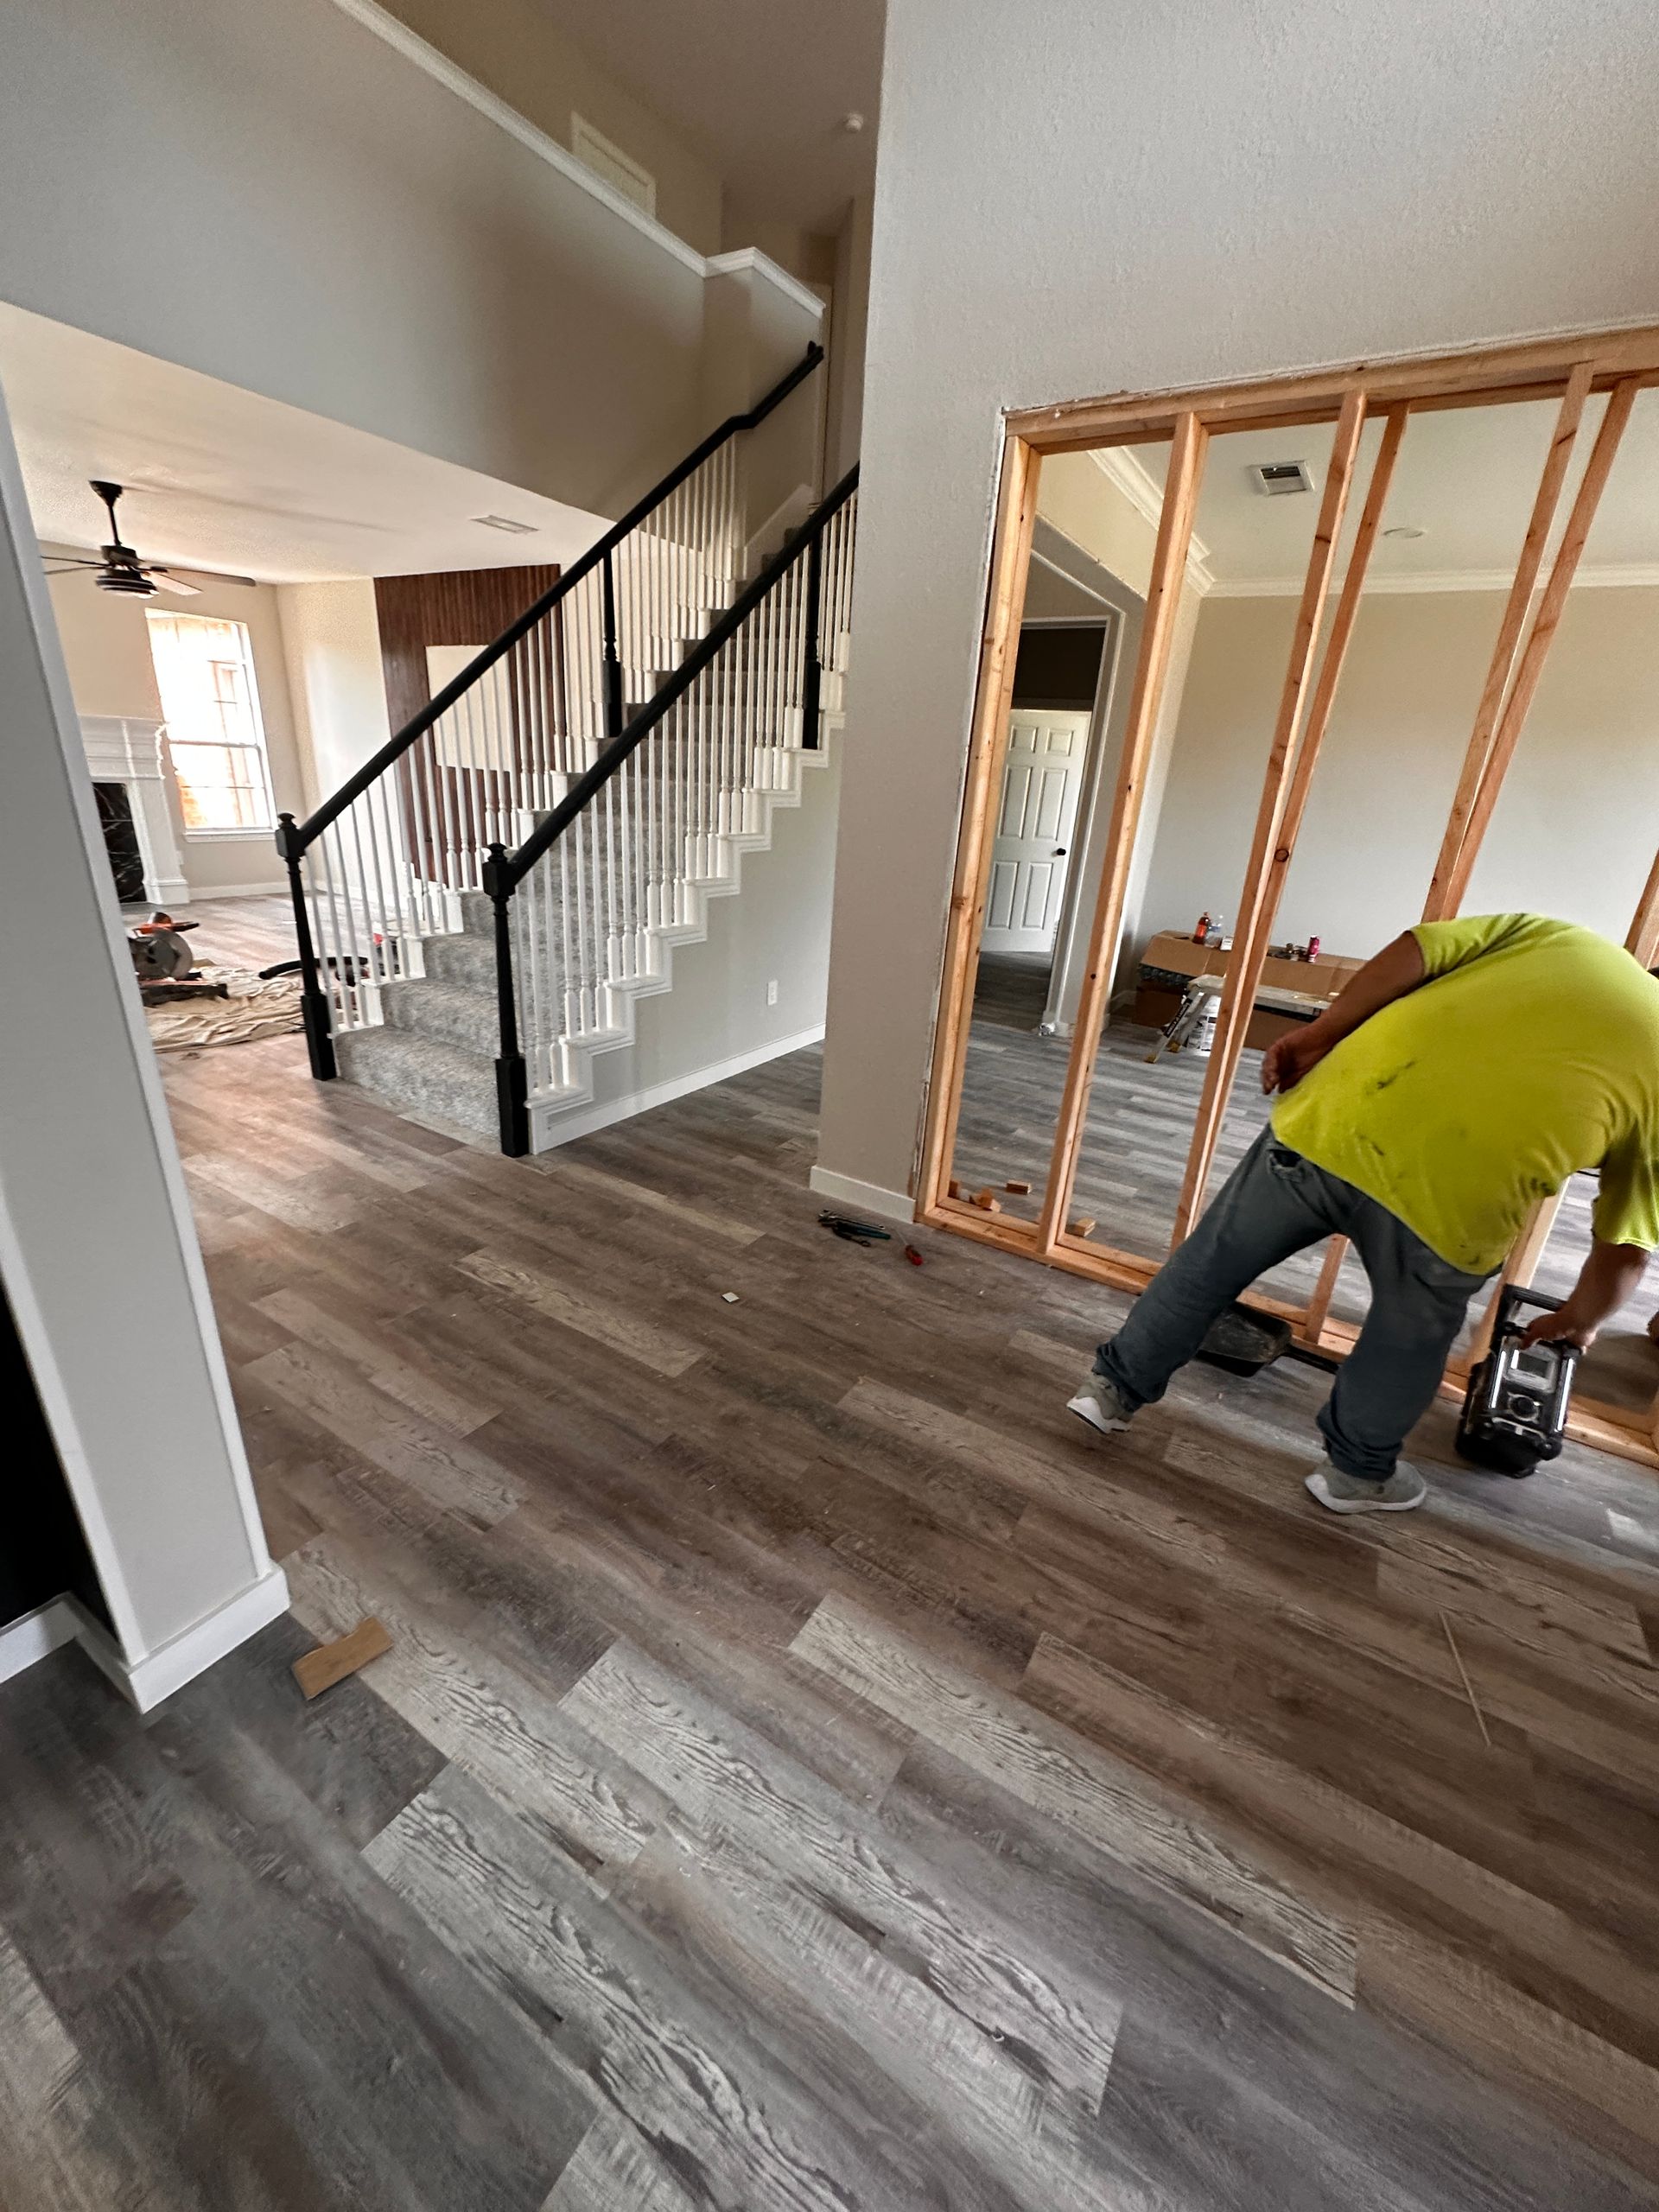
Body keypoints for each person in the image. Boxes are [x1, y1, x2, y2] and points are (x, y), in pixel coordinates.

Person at [1067, 913, 1659, 1513]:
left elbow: (1415, 950)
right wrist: (1581, 1320)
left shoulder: (1561, 937)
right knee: (1406, 1337)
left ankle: (1110, 1390)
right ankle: (1355, 1474)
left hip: (1337, 1121)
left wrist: (1321, 1032)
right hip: (1455, 1201)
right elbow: (1625, 1247)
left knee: (1209, 1266)